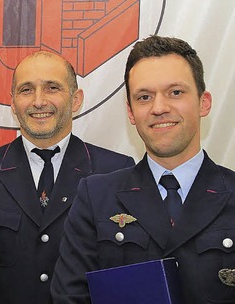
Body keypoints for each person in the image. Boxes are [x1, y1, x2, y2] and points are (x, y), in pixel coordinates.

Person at [51, 35, 234, 303]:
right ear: (131, 112)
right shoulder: (96, 198)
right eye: (144, 96)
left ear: (203, 102)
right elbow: (70, 297)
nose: (159, 108)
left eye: (176, 92)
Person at [0, 51, 135, 303]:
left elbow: (122, 272)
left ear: (76, 100)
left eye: (52, 88)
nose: (39, 101)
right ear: (12, 103)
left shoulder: (115, 171)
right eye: (26, 90)